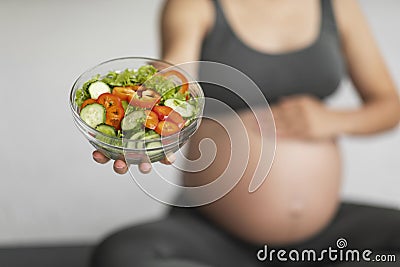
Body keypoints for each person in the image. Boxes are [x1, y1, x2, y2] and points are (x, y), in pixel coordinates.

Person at [90, 0, 400, 266]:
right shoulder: (195, 5)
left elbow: (389, 107)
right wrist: (136, 119)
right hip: (216, 236)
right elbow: (173, 74)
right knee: (124, 254)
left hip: (324, 239)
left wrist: (332, 120)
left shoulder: (338, 6)